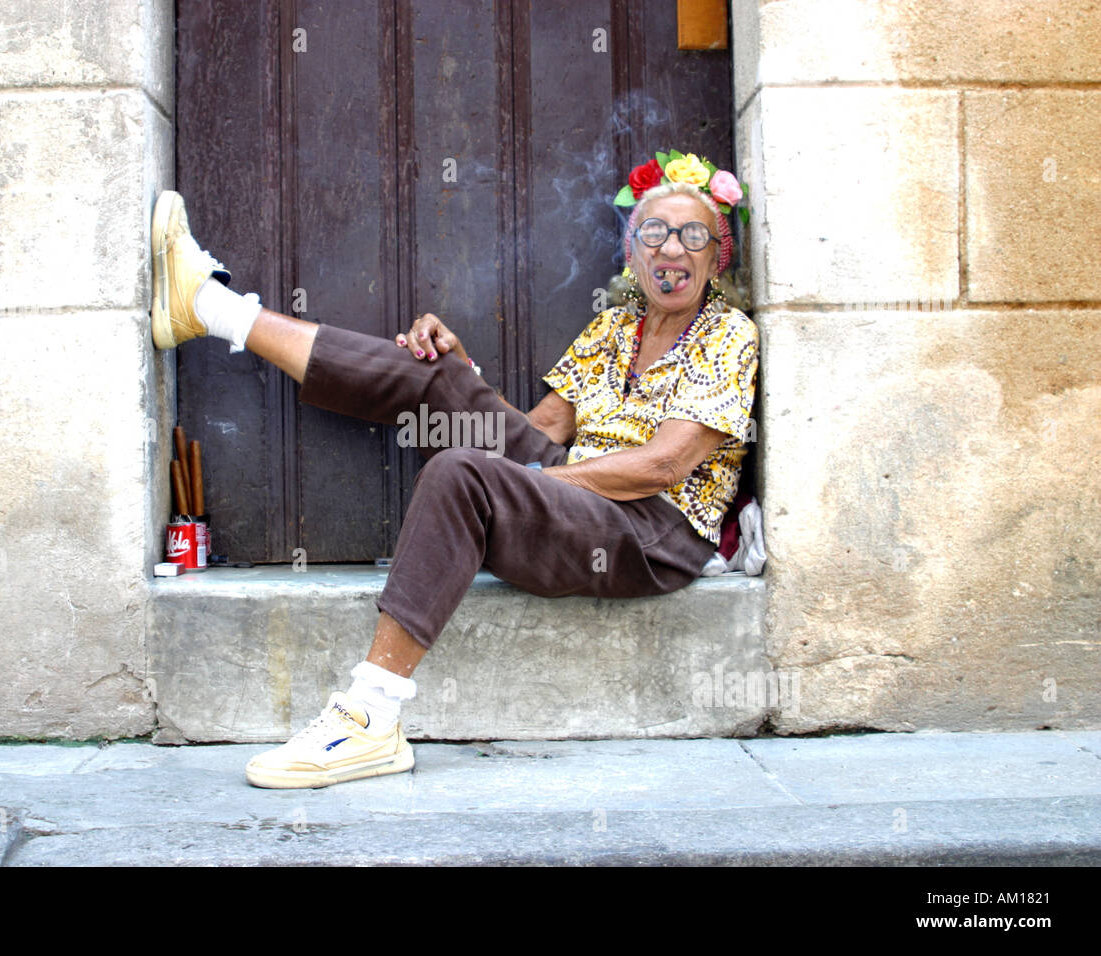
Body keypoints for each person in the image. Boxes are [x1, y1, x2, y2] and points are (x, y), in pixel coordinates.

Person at [149, 150, 758, 788]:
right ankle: (209, 308)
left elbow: (663, 465)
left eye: (694, 236)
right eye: (655, 233)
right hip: (581, 492)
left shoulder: (728, 334)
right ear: (633, 253)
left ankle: (370, 717)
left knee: (461, 470)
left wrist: (535, 484)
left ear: (716, 258)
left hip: (650, 533)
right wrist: (460, 375)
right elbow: (541, 431)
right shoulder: (614, 327)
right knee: (433, 372)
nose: (674, 249)